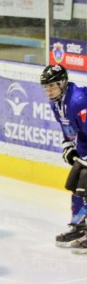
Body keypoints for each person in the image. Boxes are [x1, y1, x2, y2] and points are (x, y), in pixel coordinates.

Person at [40, 64, 87, 252]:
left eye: (52, 86)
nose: (49, 91)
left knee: (86, 185)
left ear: (63, 83)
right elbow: (69, 131)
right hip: (85, 146)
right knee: (75, 184)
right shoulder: (56, 103)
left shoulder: (78, 100)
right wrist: (68, 146)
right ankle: (79, 226)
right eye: (47, 87)